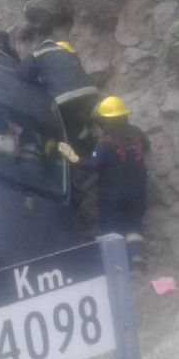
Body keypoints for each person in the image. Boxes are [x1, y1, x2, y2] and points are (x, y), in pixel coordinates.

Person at [57, 96, 149, 266]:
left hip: (114, 193)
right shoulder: (137, 133)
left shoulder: (105, 143)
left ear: (105, 121)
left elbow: (93, 165)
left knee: (112, 227)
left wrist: (74, 158)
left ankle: (118, 265)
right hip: (138, 189)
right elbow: (147, 147)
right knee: (133, 224)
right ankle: (136, 255)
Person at [16, 39, 99, 154]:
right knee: (88, 119)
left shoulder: (37, 55)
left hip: (65, 99)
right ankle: (93, 138)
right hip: (90, 92)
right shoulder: (67, 53)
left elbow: (22, 74)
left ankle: (80, 150)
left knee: (65, 127)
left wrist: (39, 81)